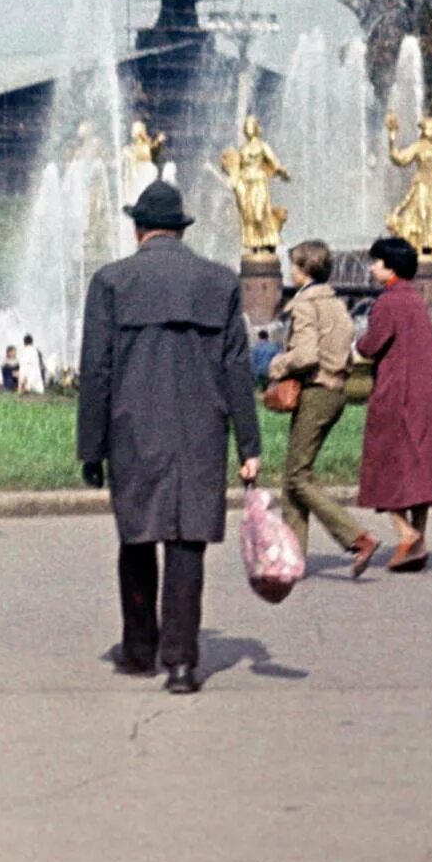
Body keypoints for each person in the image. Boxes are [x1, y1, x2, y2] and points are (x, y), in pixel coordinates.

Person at [76, 181, 263, 695]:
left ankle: (139, 650)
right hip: (202, 431)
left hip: (133, 429)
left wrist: (90, 448)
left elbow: (97, 370)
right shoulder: (219, 282)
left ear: (138, 229)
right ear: (180, 229)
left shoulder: (112, 282)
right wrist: (250, 445)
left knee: (136, 539)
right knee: (187, 544)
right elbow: (236, 371)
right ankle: (181, 663)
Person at [264, 240, 377, 576]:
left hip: (315, 391)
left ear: (302, 270)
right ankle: (292, 557)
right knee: (293, 477)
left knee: (298, 477)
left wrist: (276, 365)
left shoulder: (304, 304)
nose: (290, 272)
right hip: (335, 391)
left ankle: (357, 537)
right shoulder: (335, 303)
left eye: (293, 266)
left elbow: (306, 355)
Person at [355, 235, 432, 573]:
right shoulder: (414, 299)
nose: (371, 268)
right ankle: (419, 540)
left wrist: (356, 342)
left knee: (386, 466)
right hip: (430, 392)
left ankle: (406, 533)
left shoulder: (389, 302)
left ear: (391, 267)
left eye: (377, 263)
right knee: (421, 467)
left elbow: (371, 345)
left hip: (399, 392)